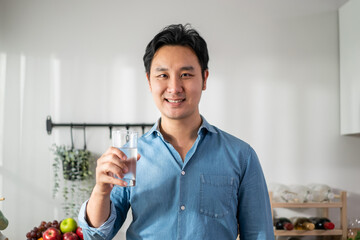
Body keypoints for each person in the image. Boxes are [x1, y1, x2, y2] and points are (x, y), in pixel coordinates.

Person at [78, 23, 274, 240]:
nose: (174, 87)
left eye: (186, 75)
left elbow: (260, 235)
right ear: (149, 82)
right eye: (162, 75)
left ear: (205, 79)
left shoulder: (241, 156)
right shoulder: (129, 156)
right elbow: (95, 235)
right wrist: (101, 191)